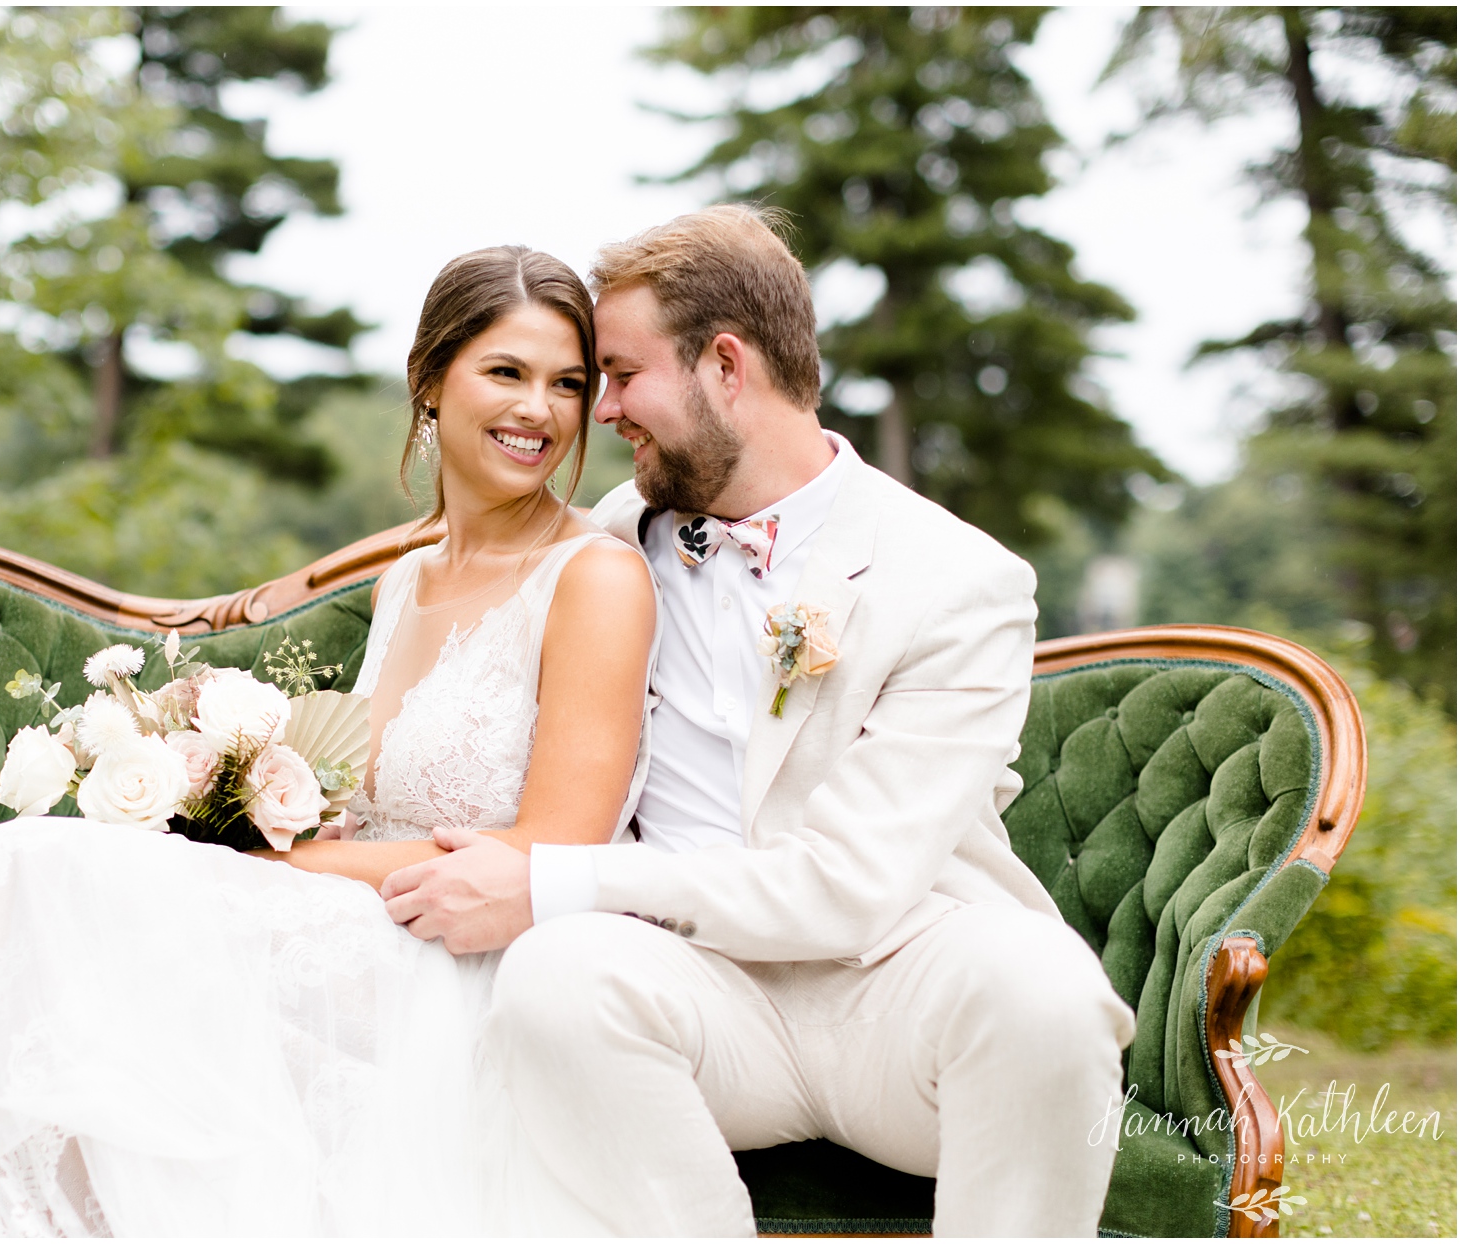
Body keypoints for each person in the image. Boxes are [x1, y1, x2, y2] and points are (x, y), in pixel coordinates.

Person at [0, 246, 658, 1237]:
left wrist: (273, 864)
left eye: (568, 383)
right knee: (22, 884)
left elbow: (558, 843)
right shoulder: (407, 580)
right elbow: (366, 789)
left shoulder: (595, 577)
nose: (540, 408)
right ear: (430, 381)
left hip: (453, 963)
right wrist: (244, 803)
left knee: (38, 874)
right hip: (349, 918)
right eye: (507, 371)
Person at [380, 206, 1140, 1237]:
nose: (601, 412)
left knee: (1048, 987)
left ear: (725, 366)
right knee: (557, 974)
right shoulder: (611, 543)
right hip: (693, 989)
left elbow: (848, 885)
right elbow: (462, 563)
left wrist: (557, 878)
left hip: (894, 982)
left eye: (620, 374)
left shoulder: (959, 581)